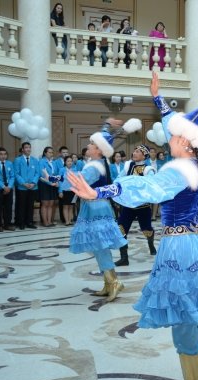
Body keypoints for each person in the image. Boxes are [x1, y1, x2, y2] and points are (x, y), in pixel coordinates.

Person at [68, 70, 198, 380]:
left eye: (174, 134)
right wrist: (158, 99)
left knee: (183, 317)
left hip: (180, 247)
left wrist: (101, 192)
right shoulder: (195, 163)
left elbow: (147, 187)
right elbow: (171, 126)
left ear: (185, 140)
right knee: (194, 311)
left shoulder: (178, 169)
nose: (168, 136)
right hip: (197, 241)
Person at [67, 119, 128, 302]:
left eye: (92, 144)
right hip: (94, 207)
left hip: (96, 208)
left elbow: (77, 181)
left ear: (99, 150)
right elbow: (105, 139)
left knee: (100, 245)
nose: (88, 145)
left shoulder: (95, 166)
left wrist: (56, 178)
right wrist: (107, 125)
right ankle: (109, 282)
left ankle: (113, 282)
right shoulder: (97, 162)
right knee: (98, 245)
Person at [113, 144, 157, 267]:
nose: (134, 153)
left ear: (144, 155)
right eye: (134, 151)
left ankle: (151, 244)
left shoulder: (148, 170)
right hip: (128, 205)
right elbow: (118, 179)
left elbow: (150, 184)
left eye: (138, 152)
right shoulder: (128, 166)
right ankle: (124, 258)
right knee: (121, 228)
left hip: (143, 206)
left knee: (147, 229)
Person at [14, 142, 39, 230]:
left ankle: (29, 222)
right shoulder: (18, 160)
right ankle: (21, 222)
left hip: (32, 186)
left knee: (30, 205)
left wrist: (33, 182)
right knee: (21, 205)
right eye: (26, 147)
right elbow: (16, 174)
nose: (28, 149)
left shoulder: (35, 160)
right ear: (22, 149)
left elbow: (37, 173)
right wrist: (23, 183)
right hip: (22, 187)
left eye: (29, 147)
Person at [0, 147, 15, 231]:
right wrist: (4, 187)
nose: (3, 156)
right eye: (1, 154)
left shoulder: (10, 163)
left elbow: (12, 176)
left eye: (5, 154)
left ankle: (7, 224)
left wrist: (9, 187)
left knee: (8, 207)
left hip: (9, 188)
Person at [38, 146, 59, 227]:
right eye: (49, 152)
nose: (51, 154)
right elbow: (42, 175)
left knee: (51, 204)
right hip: (44, 184)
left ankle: (50, 221)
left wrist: (56, 181)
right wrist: (50, 183)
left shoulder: (54, 162)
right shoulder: (41, 162)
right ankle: (45, 222)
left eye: (52, 152)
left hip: (53, 184)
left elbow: (56, 173)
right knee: (45, 204)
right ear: (45, 153)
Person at [58, 155, 75, 226]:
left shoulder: (75, 170)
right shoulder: (62, 170)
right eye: (68, 161)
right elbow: (60, 181)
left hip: (72, 190)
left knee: (71, 206)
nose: (70, 162)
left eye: (71, 161)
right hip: (64, 190)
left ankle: (70, 220)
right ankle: (66, 221)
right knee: (65, 206)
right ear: (65, 162)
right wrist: (60, 191)